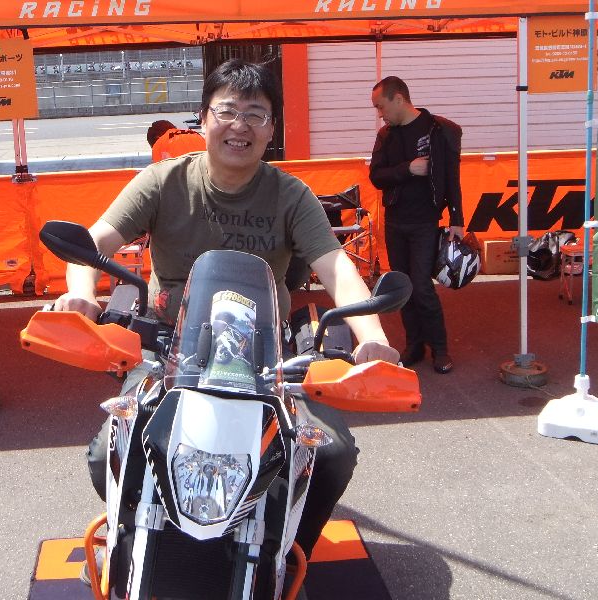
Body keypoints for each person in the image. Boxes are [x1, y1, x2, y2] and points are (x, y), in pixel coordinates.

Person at [55, 59, 399, 559]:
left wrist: (373, 337)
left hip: (265, 358)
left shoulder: (290, 195)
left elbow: (337, 268)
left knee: (331, 454)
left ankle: (287, 553)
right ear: (204, 118)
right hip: (169, 349)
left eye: (256, 115)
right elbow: (90, 245)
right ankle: (131, 543)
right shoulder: (164, 181)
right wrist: (81, 294)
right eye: (228, 111)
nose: (241, 126)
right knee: (109, 450)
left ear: (272, 129)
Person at [369, 75, 464, 375]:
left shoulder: (439, 130)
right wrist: (407, 169)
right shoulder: (386, 135)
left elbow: (452, 177)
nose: (379, 114)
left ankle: (440, 349)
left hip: (425, 222)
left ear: (398, 99)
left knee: (422, 286)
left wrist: (457, 220)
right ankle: (414, 345)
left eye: (380, 106)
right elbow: (376, 176)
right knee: (403, 286)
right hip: (395, 221)